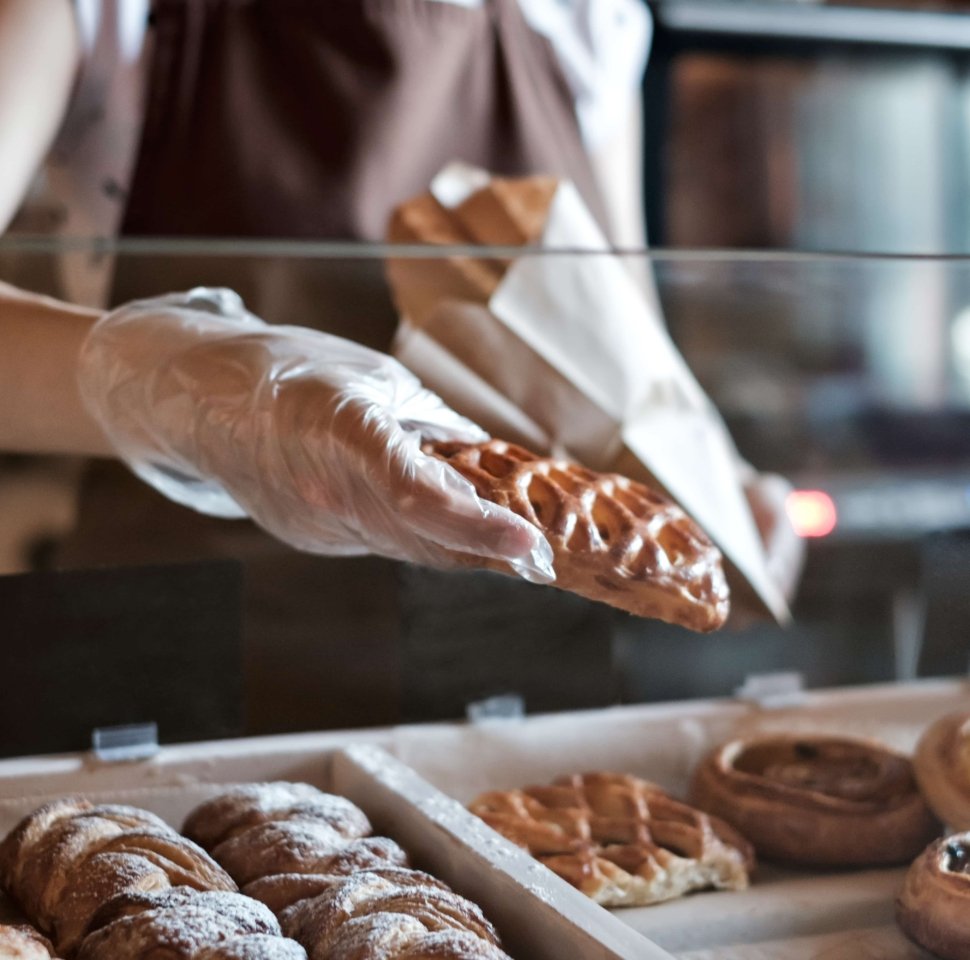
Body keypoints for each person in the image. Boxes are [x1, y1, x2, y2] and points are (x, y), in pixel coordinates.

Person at [0, 0, 801, 733]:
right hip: (185, 689)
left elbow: (625, 355)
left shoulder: (587, 23)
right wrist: (205, 391)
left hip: (508, 714)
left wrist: (717, 482)